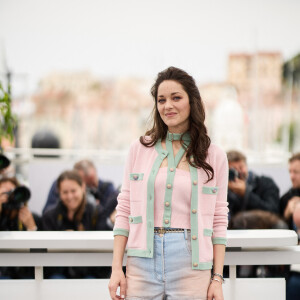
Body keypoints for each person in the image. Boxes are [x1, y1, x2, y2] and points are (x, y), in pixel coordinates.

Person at [108, 67, 228, 300]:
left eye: (176, 98)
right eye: (161, 100)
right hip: (141, 263)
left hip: (192, 266)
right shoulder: (139, 149)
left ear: (192, 101)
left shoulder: (214, 155)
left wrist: (217, 277)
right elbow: (124, 209)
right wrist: (116, 269)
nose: (167, 106)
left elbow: (219, 218)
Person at [42, 170, 111, 278]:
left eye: (73, 191)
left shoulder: (97, 213)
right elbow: (45, 254)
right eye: (65, 192)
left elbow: (104, 247)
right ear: (59, 193)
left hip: (90, 272)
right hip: (59, 272)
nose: (70, 197)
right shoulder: (49, 216)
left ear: (83, 187)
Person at [43, 159, 117, 217]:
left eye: (93, 181)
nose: (70, 196)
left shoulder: (107, 188)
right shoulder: (60, 183)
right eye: (65, 192)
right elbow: (48, 212)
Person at [0, 177, 41, 279]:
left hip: (25, 274)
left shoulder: (32, 217)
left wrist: (32, 228)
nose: (9, 196)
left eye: (12, 192)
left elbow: (41, 253)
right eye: (5, 192)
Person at [227, 150, 280, 219]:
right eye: (233, 170)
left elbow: (273, 211)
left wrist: (246, 193)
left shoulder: (265, 183)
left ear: (246, 166)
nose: (238, 172)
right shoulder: (224, 189)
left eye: (241, 167)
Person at [280, 153, 300, 230]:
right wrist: (286, 214)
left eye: (295, 172)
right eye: (290, 172)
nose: (291, 176)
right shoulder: (286, 198)